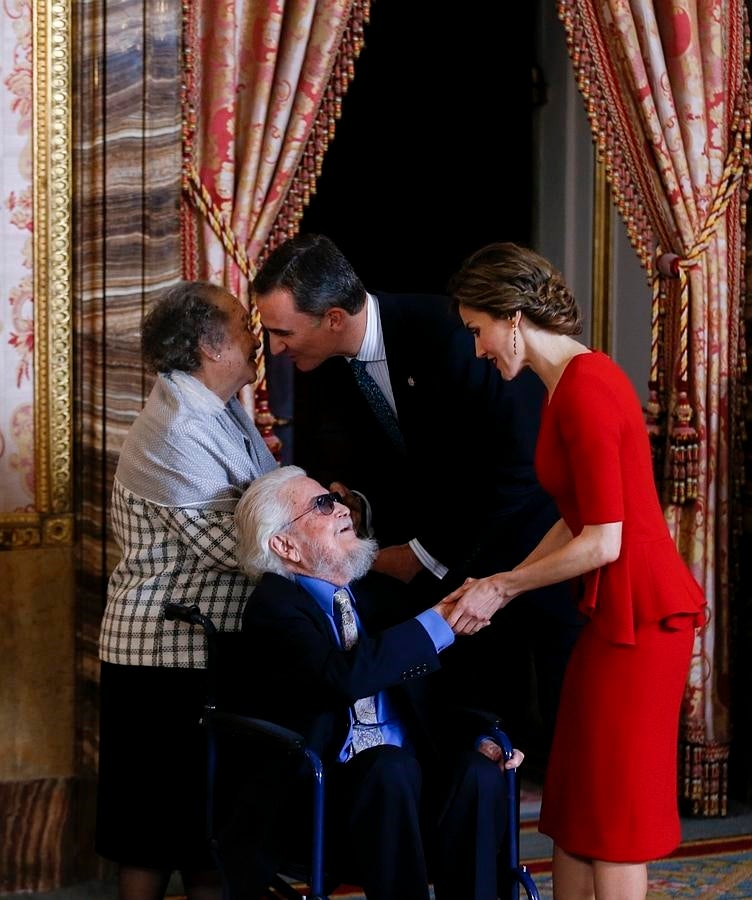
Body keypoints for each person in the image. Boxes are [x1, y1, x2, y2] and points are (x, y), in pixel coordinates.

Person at [444, 242, 707, 900]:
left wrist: (503, 585)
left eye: (476, 331)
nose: (476, 349)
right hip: (613, 613)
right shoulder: (566, 386)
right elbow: (574, 516)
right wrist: (498, 589)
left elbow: (604, 541)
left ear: (511, 317)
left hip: (642, 619)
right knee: (573, 802)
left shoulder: (587, 389)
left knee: (611, 815)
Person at [252, 232, 581, 752]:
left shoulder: (453, 334)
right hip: (456, 579)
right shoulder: (328, 364)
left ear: (333, 318)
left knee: (568, 740)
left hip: (532, 554)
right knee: (478, 742)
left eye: (282, 332)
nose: (275, 348)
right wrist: (362, 502)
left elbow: (517, 467)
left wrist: (425, 555)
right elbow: (410, 467)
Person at [232, 464, 524, 900]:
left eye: (336, 500)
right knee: (389, 765)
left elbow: (435, 691)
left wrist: (476, 735)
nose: (341, 509)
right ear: (284, 544)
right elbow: (341, 678)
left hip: (408, 788)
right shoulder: (274, 608)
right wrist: (437, 622)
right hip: (325, 798)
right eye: (322, 504)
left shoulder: (375, 595)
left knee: (477, 772)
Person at [95, 281, 277, 900]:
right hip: (161, 656)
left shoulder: (220, 409)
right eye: (242, 324)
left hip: (202, 653)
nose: (256, 334)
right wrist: (319, 528)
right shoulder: (176, 428)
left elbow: (265, 504)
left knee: (206, 838)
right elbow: (238, 548)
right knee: (150, 837)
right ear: (207, 343)